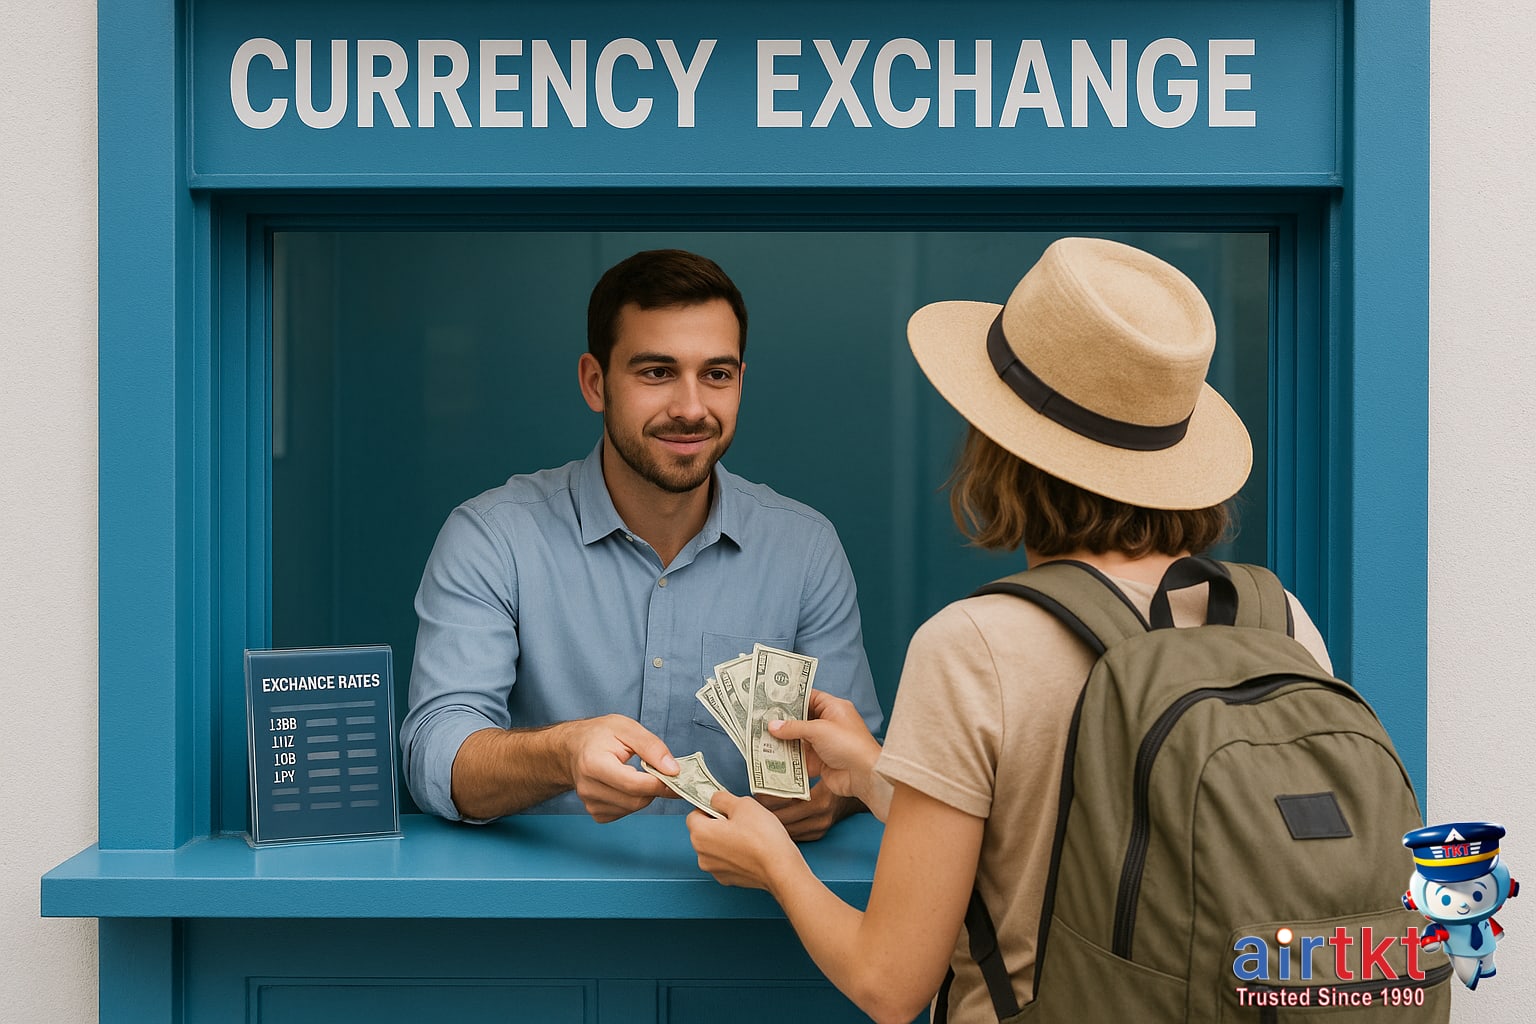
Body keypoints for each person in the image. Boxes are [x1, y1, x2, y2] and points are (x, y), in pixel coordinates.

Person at [686, 237, 1334, 1022]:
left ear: (1001, 448)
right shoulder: (1278, 618)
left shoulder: (974, 644)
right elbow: (1109, 833)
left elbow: (891, 983)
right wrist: (872, 772)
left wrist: (775, 862)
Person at [400, 248, 884, 839]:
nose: (691, 407)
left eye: (717, 374)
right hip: (545, 914)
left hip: (747, 915)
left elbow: (860, 764)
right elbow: (434, 756)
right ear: (595, 382)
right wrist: (563, 753)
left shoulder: (806, 549)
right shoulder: (493, 538)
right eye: (656, 372)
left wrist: (831, 799)